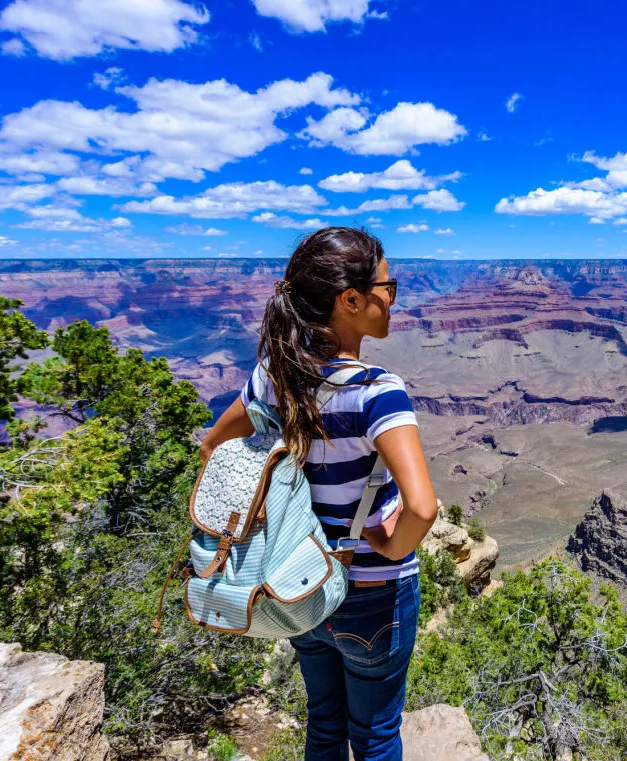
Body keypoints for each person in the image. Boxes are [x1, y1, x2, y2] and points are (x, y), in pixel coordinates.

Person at [200, 226, 438, 761]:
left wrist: (268, 517)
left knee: (324, 725)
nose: (392, 297)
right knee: (375, 735)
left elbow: (212, 448)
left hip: (298, 579)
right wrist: (391, 546)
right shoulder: (378, 392)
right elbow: (422, 508)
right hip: (373, 594)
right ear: (350, 300)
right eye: (387, 286)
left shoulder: (271, 377)